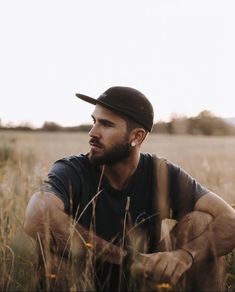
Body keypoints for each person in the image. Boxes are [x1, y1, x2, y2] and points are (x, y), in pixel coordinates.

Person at [23, 86, 235, 291]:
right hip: (82, 281)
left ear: (136, 137)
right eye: (94, 121)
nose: (92, 132)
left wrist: (185, 256)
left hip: (144, 282)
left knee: (200, 222)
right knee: (53, 252)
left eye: (106, 125)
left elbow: (230, 220)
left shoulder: (161, 173)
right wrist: (128, 261)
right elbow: (36, 215)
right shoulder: (71, 169)